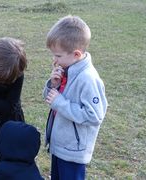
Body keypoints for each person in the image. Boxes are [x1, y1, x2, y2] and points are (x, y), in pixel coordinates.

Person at [43, 15, 108, 180]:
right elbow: (50, 98)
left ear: (76, 54)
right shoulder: (67, 68)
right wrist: (53, 84)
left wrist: (60, 103)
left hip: (73, 151)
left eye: (57, 56)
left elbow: (94, 116)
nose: (54, 60)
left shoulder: (88, 79)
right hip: (60, 145)